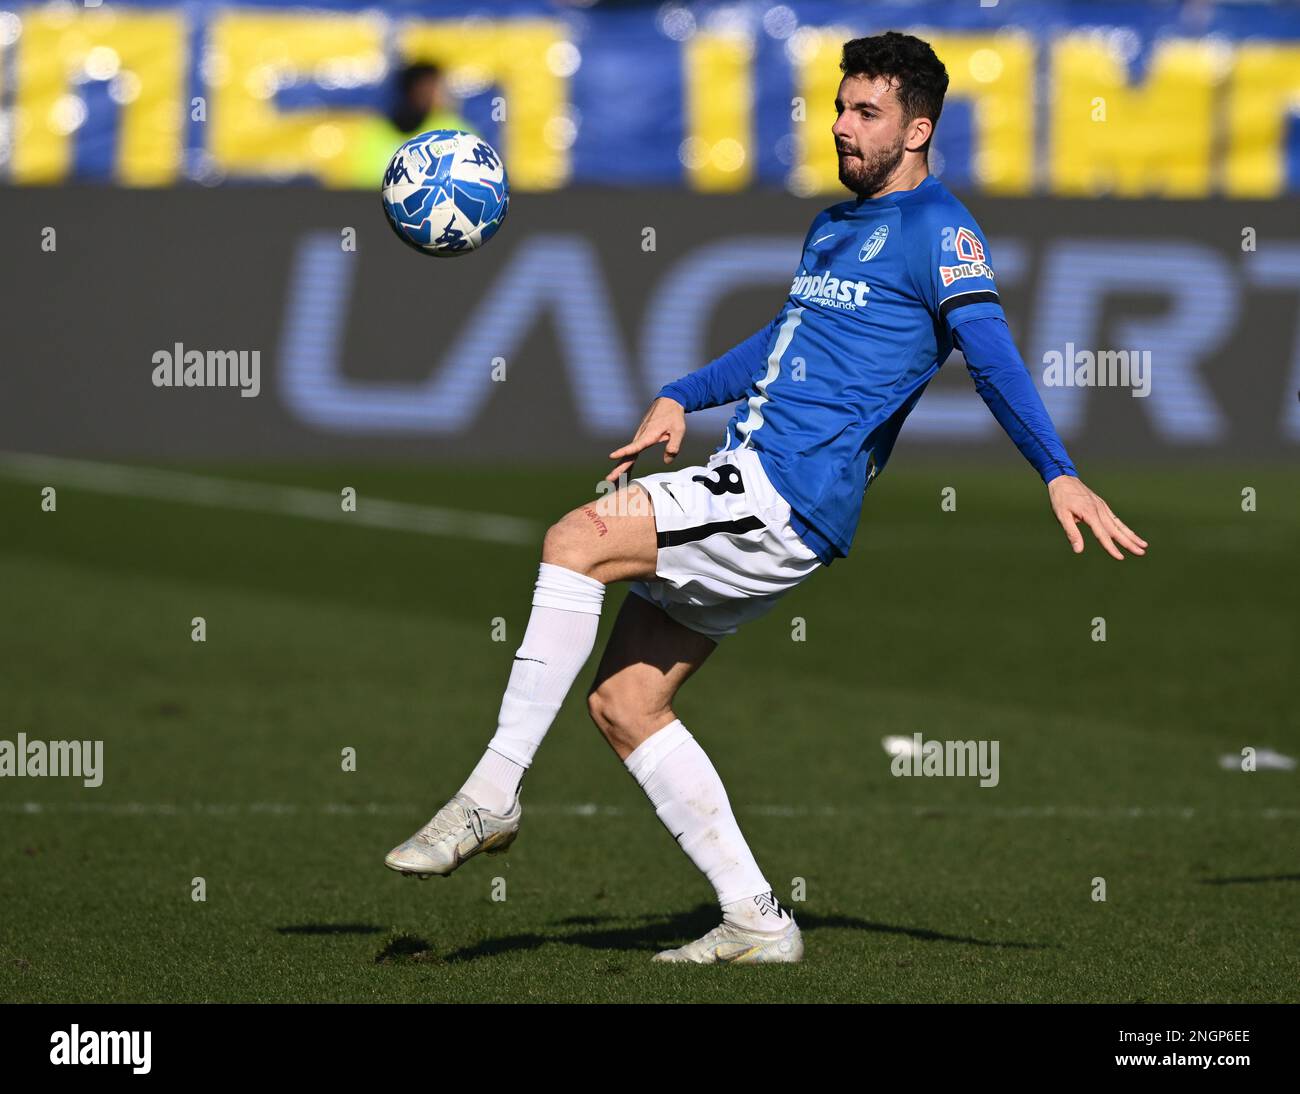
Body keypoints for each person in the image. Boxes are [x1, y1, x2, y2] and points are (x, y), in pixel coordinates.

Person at [383, 31, 1148, 964]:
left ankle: (491, 792)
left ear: (918, 129)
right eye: (838, 107)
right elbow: (784, 341)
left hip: (786, 493)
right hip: (758, 486)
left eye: (865, 113)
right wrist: (682, 393)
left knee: (576, 538)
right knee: (626, 702)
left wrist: (1055, 469)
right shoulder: (835, 225)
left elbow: (989, 355)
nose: (840, 127)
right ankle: (755, 919)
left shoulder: (938, 230)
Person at [350, 61, 469, 188]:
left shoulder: (454, 130)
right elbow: (364, 183)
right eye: (440, 87)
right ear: (420, 89)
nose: (447, 94)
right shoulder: (375, 131)